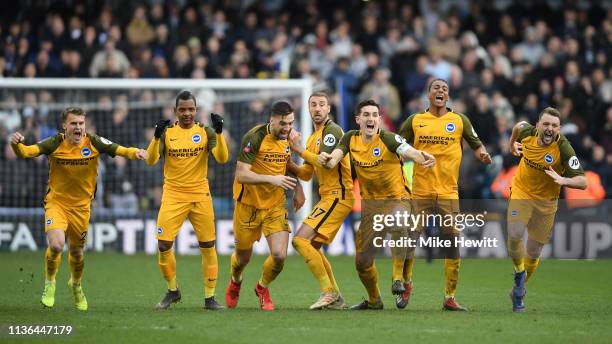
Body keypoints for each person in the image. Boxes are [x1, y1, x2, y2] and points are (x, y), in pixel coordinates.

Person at [10, 106, 148, 311]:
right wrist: (16, 145)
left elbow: (119, 149)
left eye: (81, 123)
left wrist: (136, 152)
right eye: (73, 123)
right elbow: (26, 152)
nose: (78, 127)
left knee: (76, 253)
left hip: (82, 208)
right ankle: (50, 284)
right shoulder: (55, 142)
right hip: (56, 204)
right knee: (56, 245)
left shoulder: (93, 141)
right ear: (64, 125)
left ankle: (76, 285)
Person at [319, 99, 435, 310]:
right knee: (362, 263)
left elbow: (408, 150)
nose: (371, 118)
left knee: (399, 221)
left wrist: (421, 156)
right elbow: (335, 157)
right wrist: (327, 158)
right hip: (371, 206)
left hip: (398, 199)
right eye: (366, 115)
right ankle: (374, 301)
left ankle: (398, 279)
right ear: (358, 119)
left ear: (379, 120)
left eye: (374, 115)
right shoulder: (350, 138)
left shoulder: (388, 138)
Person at [399, 78, 492, 311]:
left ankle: (449, 297)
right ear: (428, 94)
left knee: (452, 244)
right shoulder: (415, 120)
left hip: (448, 192)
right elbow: (397, 145)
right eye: (436, 88)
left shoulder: (459, 120)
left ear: (447, 96)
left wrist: (482, 154)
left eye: (445, 89)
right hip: (420, 190)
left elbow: (476, 143)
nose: (440, 91)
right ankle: (407, 283)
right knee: (410, 240)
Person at [146, 90, 229, 310]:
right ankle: (173, 291)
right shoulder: (167, 133)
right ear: (175, 111)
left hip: (200, 195)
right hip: (173, 195)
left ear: (196, 110)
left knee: (208, 246)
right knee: (163, 244)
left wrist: (220, 133)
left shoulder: (205, 132)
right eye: (182, 109)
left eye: (191, 109)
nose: (186, 113)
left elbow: (222, 158)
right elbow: (151, 160)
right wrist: (155, 137)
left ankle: (210, 298)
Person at [225, 101, 305, 311]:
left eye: (290, 123)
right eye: (283, 123)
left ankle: (262, 287)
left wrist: (298, 188)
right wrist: (272, 179)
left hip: (275, 205)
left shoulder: (290, 138)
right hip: (248, 205)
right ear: (271, 120)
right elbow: (241, 174)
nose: (287, 128)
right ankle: (235, 280)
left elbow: (286, 164)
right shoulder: (255, 137)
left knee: (279, 256)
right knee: (243, 258)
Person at [506, 107, 586, 312]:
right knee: (515, 233)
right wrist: (511, 145)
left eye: (554, 125)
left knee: (533, 251)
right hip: (522, 192)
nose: (550, 129)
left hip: (547, 203)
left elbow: (583, 181)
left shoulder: (564, 148)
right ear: (538, 125)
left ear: (559, 128)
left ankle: (518, 287)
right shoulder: (527, 133)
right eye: (546, 124)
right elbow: (517, 126)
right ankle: (518, 273)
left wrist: (563, 179)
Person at [286, 92, 354, 310]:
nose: (317, 108)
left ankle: (329, 292)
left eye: (321, 105)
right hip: (329, 196)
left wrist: (299, 150)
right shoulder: (313, 138)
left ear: (329, 109)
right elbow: (306, 174)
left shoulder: (332, 132)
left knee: (299, 241)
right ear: (308, 109)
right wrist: (289, 162)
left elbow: (327, 164)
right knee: (313, 245)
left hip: (338, 195)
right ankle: (336, 298)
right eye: (313, 105)